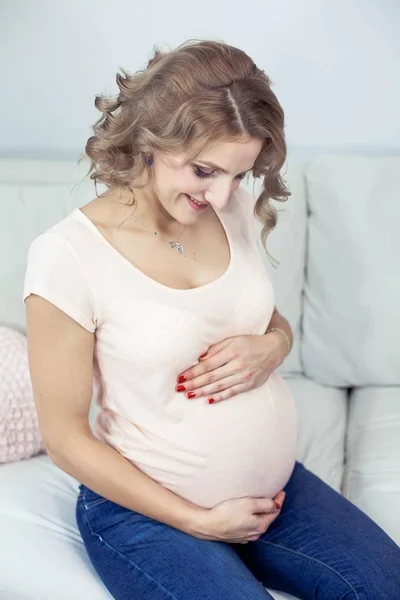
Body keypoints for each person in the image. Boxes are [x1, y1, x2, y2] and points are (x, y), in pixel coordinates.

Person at [24, 39, 400, 600]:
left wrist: (274, 344)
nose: (223, 194)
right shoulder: (67, 257)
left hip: (272, 495)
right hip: (144, 512)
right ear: (151, 138)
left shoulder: (231, 208)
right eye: (204, 170)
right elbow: (65, 439)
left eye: (239, 175)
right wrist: (197, 522)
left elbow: (265, 317)